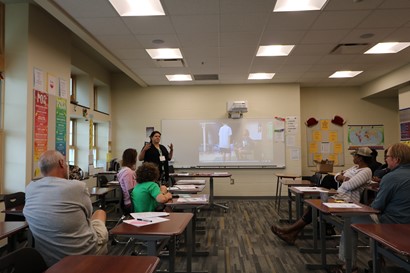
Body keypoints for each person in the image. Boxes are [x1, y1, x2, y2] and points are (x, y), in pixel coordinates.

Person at [329, 143, 410, 273]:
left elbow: (377, 207)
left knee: (351, 220)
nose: (385, 160)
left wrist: (366, 207)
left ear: (397, 160)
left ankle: (348, 266)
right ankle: (378, 259)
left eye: (388, 157)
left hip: (393, 224)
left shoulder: (390, 177)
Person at [271, 147, 373, 245]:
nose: (353, 157)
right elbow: (336, 175)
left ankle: (290, 231)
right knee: (315, 205)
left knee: (317, 207)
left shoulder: (366, 171)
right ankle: (292, 234)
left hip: (348, 202)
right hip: (338, 198)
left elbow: (349, 185)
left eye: (355, 155)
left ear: (360, 158)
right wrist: (343, 178)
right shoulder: (355, 168)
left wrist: (342, 178)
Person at [23, 150, 108, 267]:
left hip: (48, 258)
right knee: (99, 212)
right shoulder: (78, 186)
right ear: (61, 163)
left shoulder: (30, 188)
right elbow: (88, 216)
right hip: (84, 254)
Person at [116, 148, 138, 214]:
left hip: (128, 201)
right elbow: (131, 191)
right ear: (133, 159)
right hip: (130, 203)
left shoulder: (125, 171)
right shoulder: (128, 172)